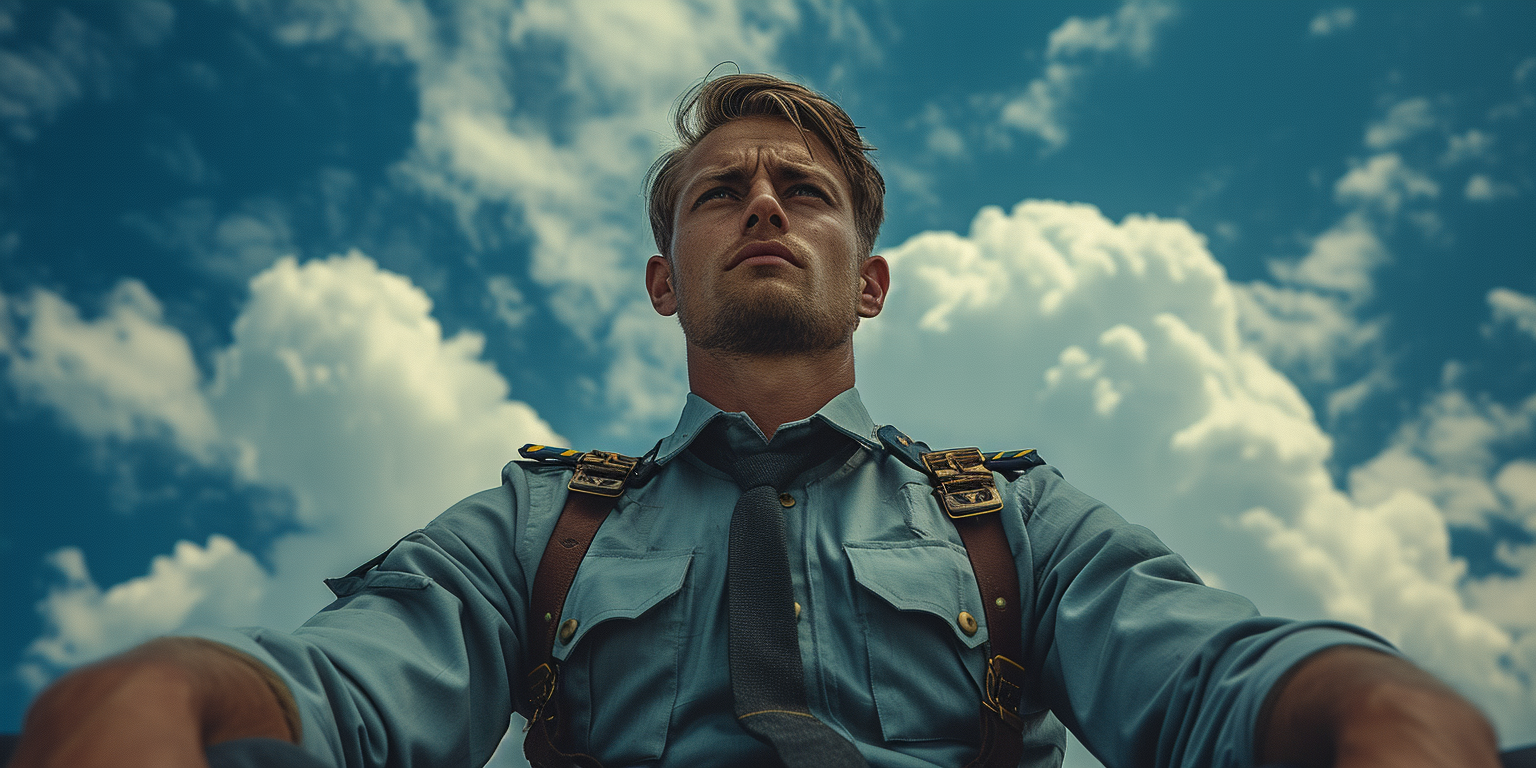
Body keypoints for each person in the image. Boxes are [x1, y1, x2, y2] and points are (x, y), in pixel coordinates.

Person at [8, 73, 1504, 768]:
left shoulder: (1007, 518)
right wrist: (172, 691)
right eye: (724, 191)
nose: (767, 206)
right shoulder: (544, 522)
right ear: (668, 280)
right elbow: (341, 699)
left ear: (874, 280)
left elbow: (1213, 688)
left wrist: (1365, 701)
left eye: (808, 193)